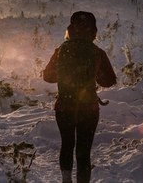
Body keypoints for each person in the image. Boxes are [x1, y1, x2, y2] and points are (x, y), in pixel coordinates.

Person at [43, 11, 117, 183]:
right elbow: (109, 81)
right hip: (89, 109)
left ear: (70, 29)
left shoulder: (61, 50)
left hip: (64, 108)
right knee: (84, 152)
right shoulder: (97, 52)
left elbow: (48, 77)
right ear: (93, 31)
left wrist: (65, 74)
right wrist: (93, 74)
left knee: (67, 146)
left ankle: (66, 180)